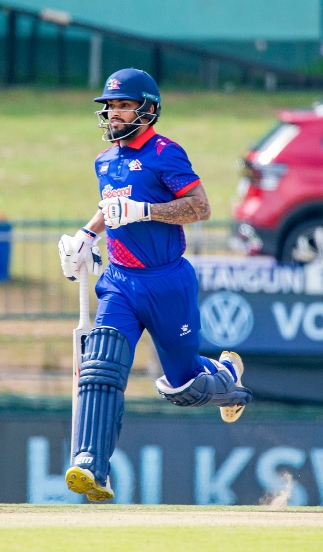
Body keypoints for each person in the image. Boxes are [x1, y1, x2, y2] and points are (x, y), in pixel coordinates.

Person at [57, 68, 252, 502]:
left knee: (184, 386)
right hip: (120, 282)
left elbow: (200, 207)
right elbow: (111, 205)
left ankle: (226, 378)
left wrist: (145, 211)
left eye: (124, 105)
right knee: (101, 367)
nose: (114, 113)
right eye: (110, 106)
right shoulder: (104, 161)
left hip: (167, 281)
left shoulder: (166, 153)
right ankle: (91, 466)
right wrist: (86, 236)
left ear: (147, 110)